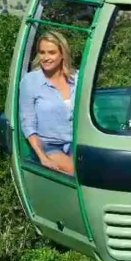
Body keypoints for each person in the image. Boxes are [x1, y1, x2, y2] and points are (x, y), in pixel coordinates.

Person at [18, 29, 77, 173]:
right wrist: (42, 157)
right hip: (48, 145)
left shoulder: (77, 79)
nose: (45, 57)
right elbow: (28, 124)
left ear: (62, 54)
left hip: (77, 142)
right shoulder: (30, 81)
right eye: (42, 52)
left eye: (51, 52)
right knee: (77, 172)